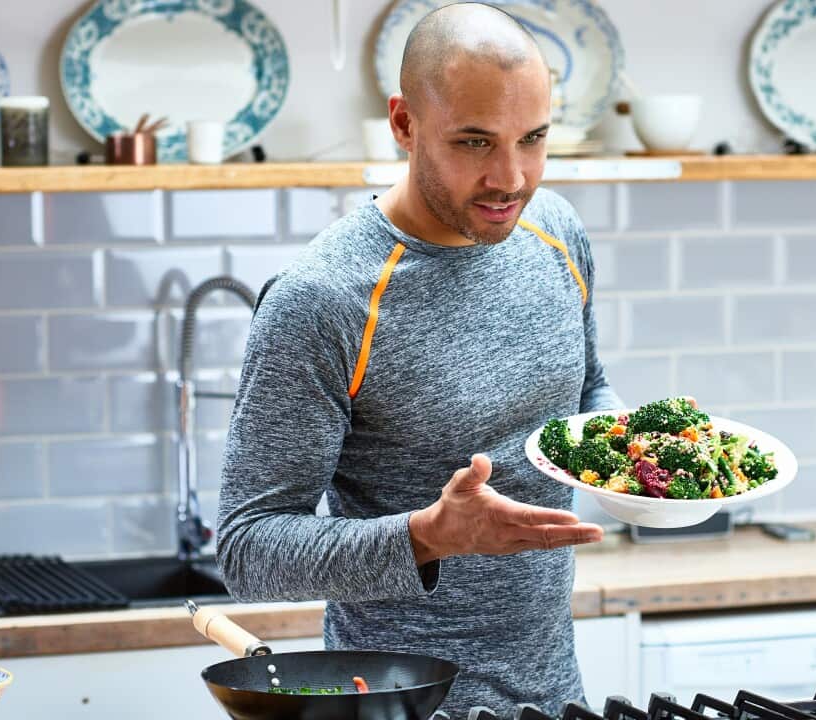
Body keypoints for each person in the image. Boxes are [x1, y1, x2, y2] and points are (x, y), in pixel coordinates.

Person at [216, 2, 621, 714]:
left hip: (554, 696)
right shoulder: (324, 299)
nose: (511, 178)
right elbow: (249, 550)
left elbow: (589, 390)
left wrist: (641, 454)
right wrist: (428, 536)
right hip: (396, 703)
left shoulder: (554, 230)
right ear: (404, 124)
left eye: (532, 139)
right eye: (475, 142)